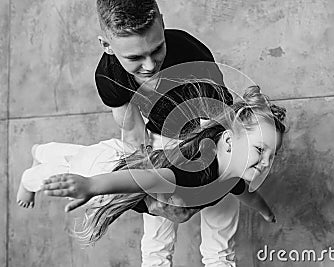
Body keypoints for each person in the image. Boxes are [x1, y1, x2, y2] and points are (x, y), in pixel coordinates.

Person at [40, 85, 287, 252]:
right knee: (60, 168)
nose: (266, 162)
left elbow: (246, 193)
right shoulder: (197, 170)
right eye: (259, 150)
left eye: (272, 155)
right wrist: (91, 185)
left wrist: (265, 211)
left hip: (126, 170)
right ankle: (37, 160)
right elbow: (147, 178)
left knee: (72, 156)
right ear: (230, 141)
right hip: (108, 167)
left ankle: (45, 154)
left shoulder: (232, 175)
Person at [94, 0, 240, 265]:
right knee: (157, 235)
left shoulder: (192, 55)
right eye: (135, 58)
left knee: (220, 229)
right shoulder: (108, 76)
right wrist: (151, 195)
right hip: (161, 135)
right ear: (107, 46)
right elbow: (133, 134)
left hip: (208, 132)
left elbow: (221, 121)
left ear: (161, 21)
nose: (149, 65)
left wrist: (203, 189)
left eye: (157, 49)